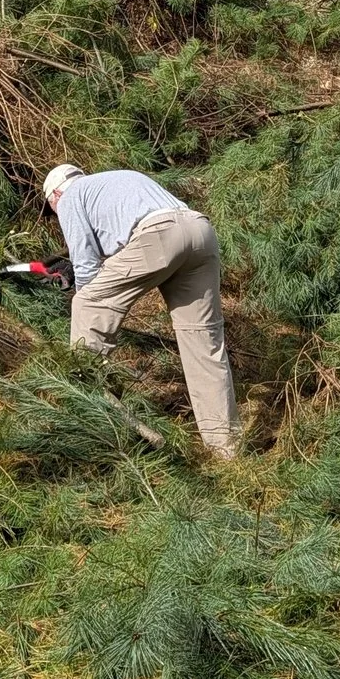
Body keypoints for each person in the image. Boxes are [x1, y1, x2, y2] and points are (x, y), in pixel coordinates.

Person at [44, 162, 239, 461]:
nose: (56, 215)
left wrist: (79, 286)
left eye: (52, 208)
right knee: (203, 343)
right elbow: (127, 245)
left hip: (160, 237)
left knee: (87, 304)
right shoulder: (116, 180)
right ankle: (225, 450)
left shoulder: (70, 197)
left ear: (55, 194)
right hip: (199, 231)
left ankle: (84, 413)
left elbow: (87, 265)